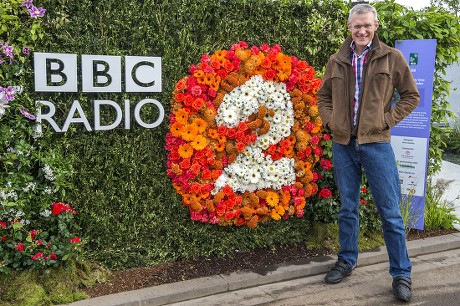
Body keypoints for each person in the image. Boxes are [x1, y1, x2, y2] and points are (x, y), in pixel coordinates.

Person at [317, 3, 420, 302]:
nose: (361, 30)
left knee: (390, 213)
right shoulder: (337, 60)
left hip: (376, 144)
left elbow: (411, 96)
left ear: (376, 26)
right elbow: (323, 96)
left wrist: (385, 121)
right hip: (343, 144)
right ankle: (346, 261)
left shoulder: (392, 58)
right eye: (356, 26)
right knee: (347, 208)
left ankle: (401, 273)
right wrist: (329, 120)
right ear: (349, 28)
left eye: (367, 25)